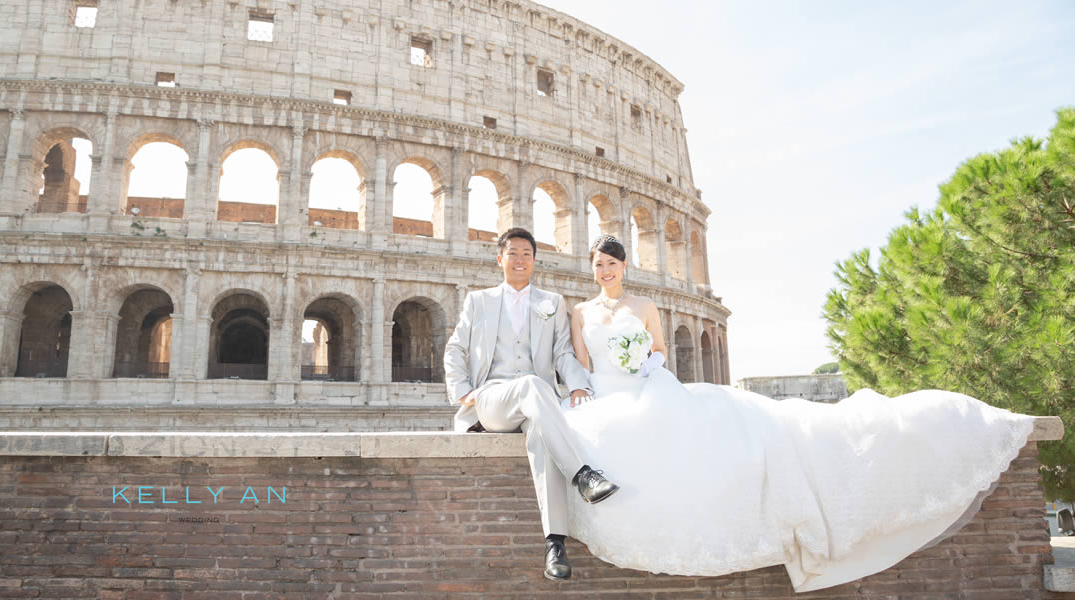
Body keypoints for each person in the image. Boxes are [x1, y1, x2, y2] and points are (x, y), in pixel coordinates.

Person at [560, 234, 1037, 592]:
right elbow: (582, 363)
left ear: (624, 265)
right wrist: (587, 391)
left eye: (611, 263)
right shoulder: (580, 312)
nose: (605, 271)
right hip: (605, 393)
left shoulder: (645, 305)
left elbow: (660, 349)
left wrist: (645, 363)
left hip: (648, 386)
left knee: (710, 444)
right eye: (598, 265)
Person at [443, 227, 621, 581]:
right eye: (513, 253)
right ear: (500, 259)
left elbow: (563, 354)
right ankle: (583, 475)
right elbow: (455, 348)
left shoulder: (551, 302)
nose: (520, 259)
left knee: (542, 435)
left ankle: (555, 545)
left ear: (535, 260)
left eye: (526, 253)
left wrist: (577, 387)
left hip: (535, 401)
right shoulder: (478, 300)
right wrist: (463, 391)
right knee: (532, 386)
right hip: (492, 399)